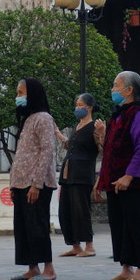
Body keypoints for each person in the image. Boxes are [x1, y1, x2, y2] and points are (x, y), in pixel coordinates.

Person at [98, 71, 140, 280]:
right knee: (119, 226)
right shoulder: (117, 116)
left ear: (129, 90)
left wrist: (129, 175)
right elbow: (109, 151)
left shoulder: (139, 115)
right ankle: (125, 269)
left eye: (116, 85)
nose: (112, 90)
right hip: (114, 182)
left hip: (133, 182)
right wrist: (101, 179)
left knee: (135, 225)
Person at [10, 78, 59, 280]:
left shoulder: (44, 118)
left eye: (21, 93)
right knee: (24, 228)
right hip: (21, 183)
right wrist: (13, 184)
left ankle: (49, 269)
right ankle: (32, 267)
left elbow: (47, 151)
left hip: (36, 184)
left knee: (38, 227)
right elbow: (22, 153)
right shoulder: (28, 119)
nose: (18, 97)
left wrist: (36, 184)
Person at [57, 94, 98, 258]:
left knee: (81, 210)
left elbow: (101, 148)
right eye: (77, 104)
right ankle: (75, 245)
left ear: (89, 107)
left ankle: (89, 246)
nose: (77, 108)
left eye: (81, 105)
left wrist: (102, 133)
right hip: (69, 173)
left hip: (82, 174)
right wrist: (58, 133)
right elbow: (72, 146)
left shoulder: (95, 126)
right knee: (65, 210)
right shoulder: (78, 126)